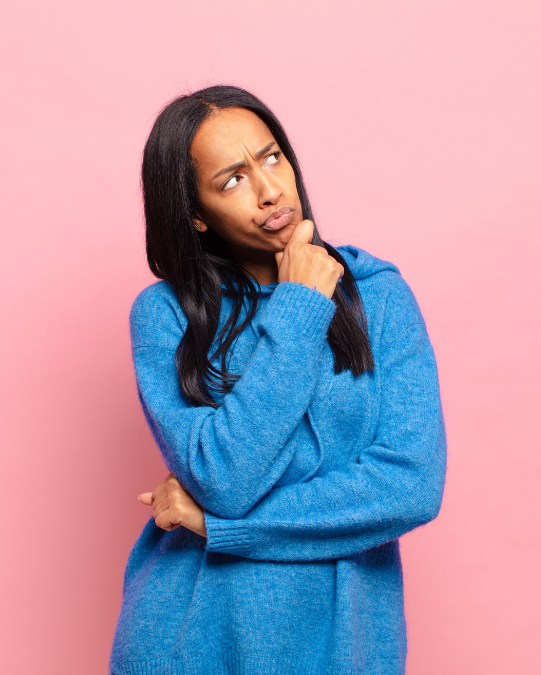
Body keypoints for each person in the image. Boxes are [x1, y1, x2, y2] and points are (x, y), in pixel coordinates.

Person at [108, 85, 447, 675]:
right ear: (195, 213)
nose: (269, 190)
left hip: (342, 644)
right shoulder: (165, 316)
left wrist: (220, 526)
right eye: (232, 180)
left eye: (271, 158)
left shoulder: (379, 297)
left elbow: (410, 487)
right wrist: (298, 307)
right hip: (191, 637)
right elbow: (226, 478)